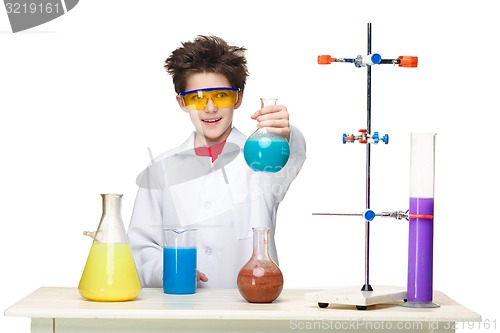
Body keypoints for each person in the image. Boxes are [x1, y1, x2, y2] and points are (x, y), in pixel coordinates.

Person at [127, 35, 306, 288]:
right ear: (182, 102)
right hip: (181, 307)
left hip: (250, 311)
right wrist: (170, 271)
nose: (210, 108)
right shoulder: (161, 170)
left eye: (221, 95)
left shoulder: (262, 161)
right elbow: (141, 246)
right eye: (197, 97)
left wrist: (286, 134)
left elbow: (294, 155)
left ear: (238, 98)